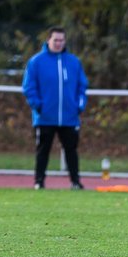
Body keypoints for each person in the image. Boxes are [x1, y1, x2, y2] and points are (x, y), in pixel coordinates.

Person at [22, 26, 89, 190]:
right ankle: (39, 181)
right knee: (43, 150)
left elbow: (82, 86)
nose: (58, 43)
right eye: (55, 40)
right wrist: (38, 105)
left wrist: (79, 105)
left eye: (61, 40)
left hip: (69, 116)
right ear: (48, 40)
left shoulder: (74, 62)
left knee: (71, 150)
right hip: (45, 116)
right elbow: (29, 87)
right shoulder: (36, 61)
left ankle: (75, 182)